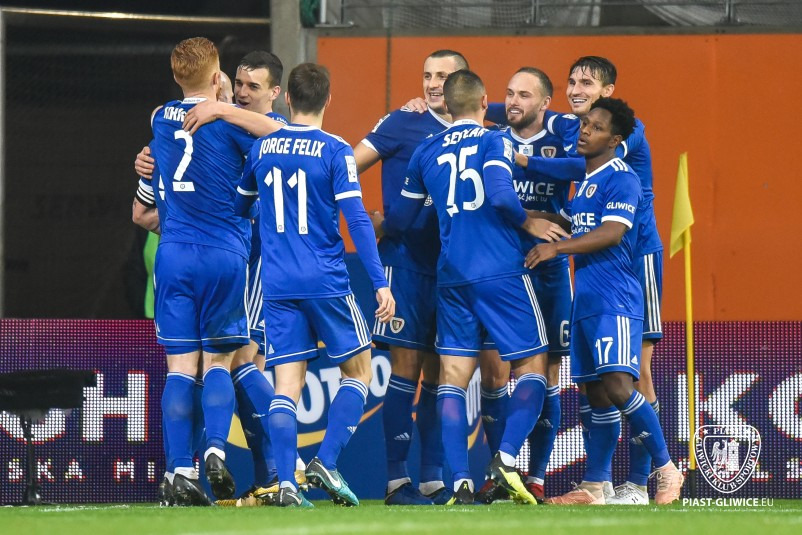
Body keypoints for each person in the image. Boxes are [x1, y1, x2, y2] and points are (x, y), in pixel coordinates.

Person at [382, 69, 569, 505]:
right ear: (485, 102)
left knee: (452, 379)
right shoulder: (494, 140)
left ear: (446, 106)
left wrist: (379, 225)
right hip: (500, 270)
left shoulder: (426, 149)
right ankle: (505, 458)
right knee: (532, 367)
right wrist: (529, 222)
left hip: (451, 275)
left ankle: (461, 483)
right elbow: (501, 195)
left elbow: (402, 220)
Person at [135, 51, 308, 502]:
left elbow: (141, 209)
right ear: (217, 79)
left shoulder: (166, 121)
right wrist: (220, 109)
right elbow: (284, 134)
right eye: (235, 85)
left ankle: (184, 470)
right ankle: (228, 455)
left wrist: (215, 107)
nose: (241, 93)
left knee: (195, 367)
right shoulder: (233, 129)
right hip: (228, 256)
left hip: (204, 256)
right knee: (226, 363)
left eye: (251, 87)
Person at [235, 63, 395, 508]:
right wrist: (379, 282)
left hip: (277, 284)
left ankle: (288, 483)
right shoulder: (336, 149)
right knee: (359, 371)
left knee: (286, 386)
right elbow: (357, 219)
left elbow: (240, 206)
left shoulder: (262, 148)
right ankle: (326, 460)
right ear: (328, 99)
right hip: (325, 279)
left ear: (287, 98)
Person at [516, 56, 664, 505]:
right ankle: (597, 483)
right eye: (572, 82)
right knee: (594, 381)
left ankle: (641, 481)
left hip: (634, 256)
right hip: (593, 266)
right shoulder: (574, 129)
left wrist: (522, 160)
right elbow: (525, 110)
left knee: (635, 373)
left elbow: (574, 170)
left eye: (588, 83)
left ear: (608, 91)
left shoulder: (622, 134)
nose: (577, 90)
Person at [356, 49, 469, 506]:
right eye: (427, 75)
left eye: (443, 76)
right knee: (405, 368)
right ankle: (395, 481)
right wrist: (369, 222)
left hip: (453, 269)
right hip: (404, 264)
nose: (432, 83)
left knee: (442, 373)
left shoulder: (480, 128)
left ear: (463, 82)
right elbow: (345, 166)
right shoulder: (402, 122)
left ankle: (432, 480)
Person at [475, 67, 578, 504]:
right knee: (494, 373)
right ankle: (499, 470)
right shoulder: (493, 135)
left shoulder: (564, 131)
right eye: (509, 94)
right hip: (503, 268)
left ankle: (535, 477)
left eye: (524, 95)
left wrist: (527, 166)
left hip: (549, 269)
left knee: (548, 372)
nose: (514, 102)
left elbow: (585, 166)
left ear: (545, 103)